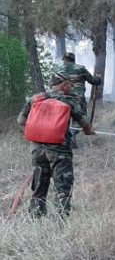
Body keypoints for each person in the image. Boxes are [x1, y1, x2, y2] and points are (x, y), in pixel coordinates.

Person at [17, 73, 95, 217]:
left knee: (39, 186)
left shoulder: (35, 99)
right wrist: (90, 131)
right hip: (60, 151)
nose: (72, 87)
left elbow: (21, 121)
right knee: (63, 187)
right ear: (64, 85)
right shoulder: (69, 101)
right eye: (71, 84)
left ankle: (36, 218)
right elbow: (86, 126)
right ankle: (61, 221)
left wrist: (35, 136)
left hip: (37, 150)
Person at [59, 51, 102, 147]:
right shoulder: (81, 69)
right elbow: (94, 81)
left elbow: (52, 85)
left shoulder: (59, 70)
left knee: (63, 119)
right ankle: (72, 137)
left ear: (64, 60)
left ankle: (64, 139)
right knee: (78, 119)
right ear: (73, 60)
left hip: (61, 99)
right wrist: (99, 78)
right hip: (77, 98)